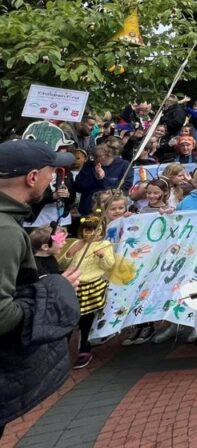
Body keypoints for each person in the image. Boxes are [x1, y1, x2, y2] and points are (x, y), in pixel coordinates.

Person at [0, 140, 81, 438]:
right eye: (51, 173)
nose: (53, 180)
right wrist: (52, 289)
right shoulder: (6, 232)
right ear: (32, 178)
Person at [56, 213, 116, 368]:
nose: (91, 234)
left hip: (92, 287)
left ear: (102, 231)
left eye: (95, 231)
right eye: (87, 231)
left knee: (86, 320)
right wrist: (69, 253)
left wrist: (103, 257)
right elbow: (61, 264)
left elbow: (109, 265)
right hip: (74, 285)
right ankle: (63, 352)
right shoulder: (76, 244)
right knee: (69, 318)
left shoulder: (105, 245)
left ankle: (84, 348)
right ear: (82, 231)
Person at [74, 143, 130, 215]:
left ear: (109, 156)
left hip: (113, 208)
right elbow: (78, 187)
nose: (97, 163)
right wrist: (96, 177)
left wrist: (103, 179)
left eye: (100, 159)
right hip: (89, 208)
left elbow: (126, 186)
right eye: (95, 159)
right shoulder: (89, 165)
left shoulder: (124, 165)